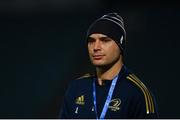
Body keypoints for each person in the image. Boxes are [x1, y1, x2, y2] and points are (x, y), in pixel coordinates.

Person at [59, 12, 158, 119]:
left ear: (120, 45)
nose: (96, 47)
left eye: (105, 40)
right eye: (91, 41)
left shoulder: (137, 93)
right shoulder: (76, 88)